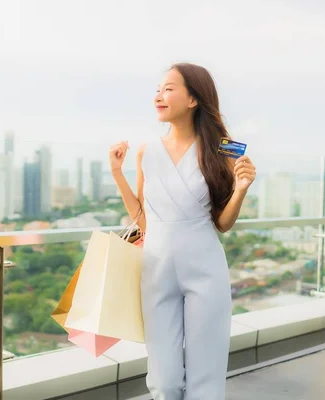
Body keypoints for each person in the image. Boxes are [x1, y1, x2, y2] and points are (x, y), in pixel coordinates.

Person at [109, 63, 257, 399]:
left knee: (206, 376)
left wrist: (242, 188)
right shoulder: (147, 151)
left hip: (205, 266)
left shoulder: (226, 149)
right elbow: (143, 220)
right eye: (158, 89)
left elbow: (223, 223)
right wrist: (117, 173)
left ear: (193, 99)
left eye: (169, 88)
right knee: (164, 379)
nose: (159, 96)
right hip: (156, 268)